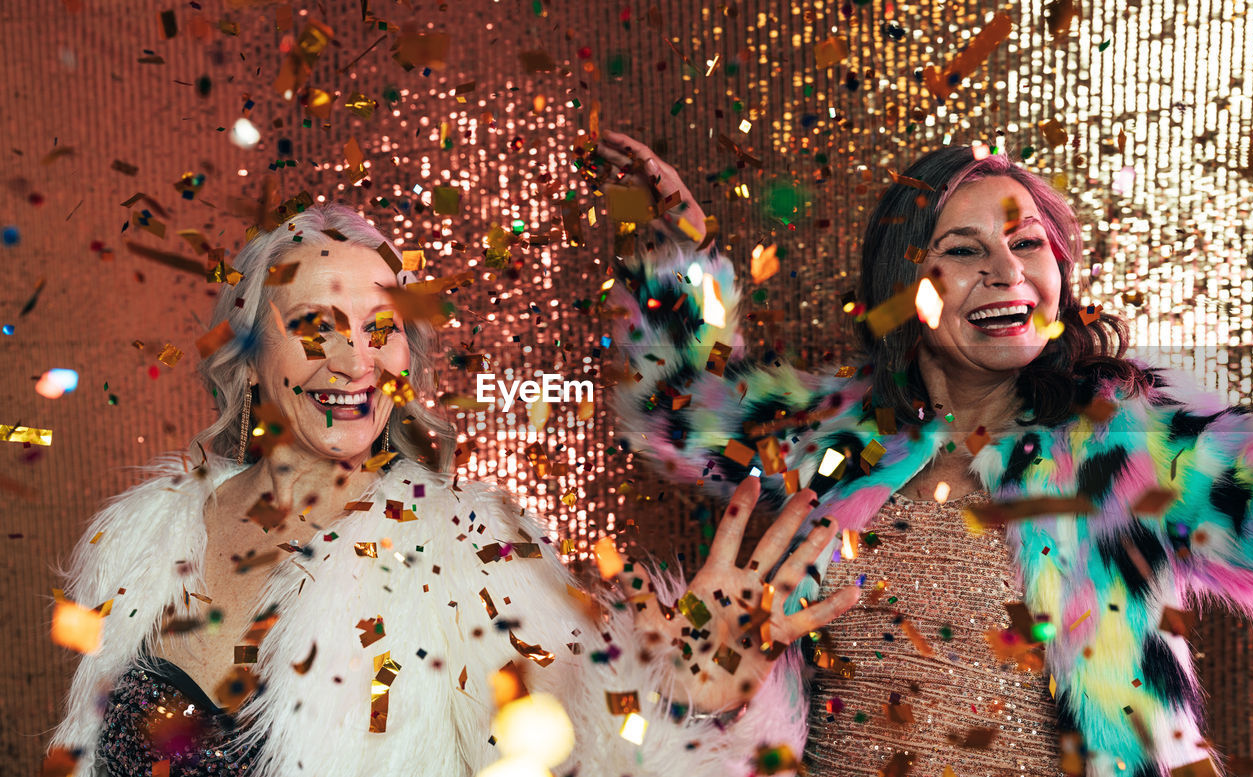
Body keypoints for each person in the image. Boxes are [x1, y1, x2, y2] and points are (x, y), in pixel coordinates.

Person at [46, 202, 860, 776]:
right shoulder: (144, 541)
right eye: (314, 326)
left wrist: (671, 696)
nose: (355, 362)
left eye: (381, 327)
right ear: (250, 357)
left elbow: (569, 753)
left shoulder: (470, 551)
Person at [596, 131, 1253, 777]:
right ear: (904, 281)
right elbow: (681, 400)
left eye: (1027, 242)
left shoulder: (1131, 450)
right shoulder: (829, 443)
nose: (1007, 271)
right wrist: (676, 248)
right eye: (963, 249)